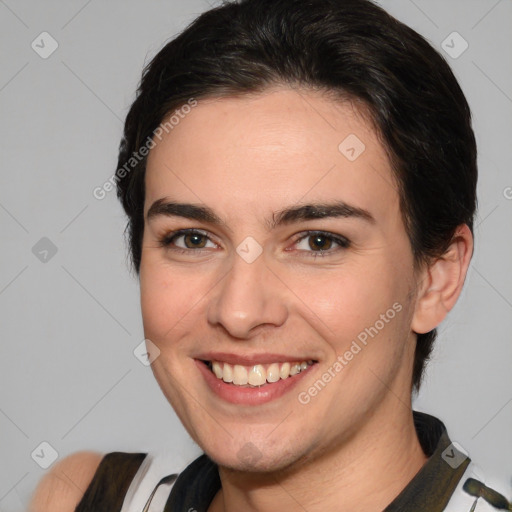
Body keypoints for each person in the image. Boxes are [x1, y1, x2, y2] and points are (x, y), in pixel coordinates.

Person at [30, 0, 510, 510]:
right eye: (193, 239)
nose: (238, 312)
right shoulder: (84, 496)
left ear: (437, 277)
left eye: (318, 241)